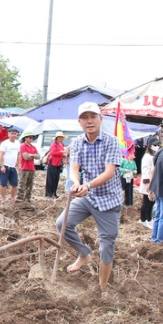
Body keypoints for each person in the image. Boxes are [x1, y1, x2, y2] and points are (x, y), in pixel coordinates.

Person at [55, 102, 123, 291]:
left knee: (106, 246)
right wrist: (76, 183)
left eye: (93, 116)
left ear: (100, 119)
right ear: (79, 122)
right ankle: (84, 253)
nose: (89, 121)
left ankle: (102, 289)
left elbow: (109, 172)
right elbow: (74, 169)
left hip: (108, 199)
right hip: (87, 197)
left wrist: (88, 185)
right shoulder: (76, 143)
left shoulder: (111, 141)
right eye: (85, 117)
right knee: (62, 224)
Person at [137, 137, 159, 228]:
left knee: (151, 202)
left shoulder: (153, 156)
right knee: (146, 201)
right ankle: (143, 219)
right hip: (148, 182)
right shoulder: (147, 157)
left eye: (157, 145)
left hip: (153, 181)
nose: (156, 147)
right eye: (155, 145)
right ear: (149, 146)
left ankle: (149, 218)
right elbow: (146, 171)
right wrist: (147, 183)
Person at [0, 129, 21, 205]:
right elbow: (1, 155)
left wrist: (19, 163)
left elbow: (18, 154)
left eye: (15, 133)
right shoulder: (5, 143)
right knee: (3, 183)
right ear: (8, 134)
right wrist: (2, 166)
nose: (14, 135)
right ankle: (3, 199)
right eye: (12, 133)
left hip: (13, 166)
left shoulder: (17, 143)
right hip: (5, 166)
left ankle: (12, 197)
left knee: (14, 184)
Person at [17, 131, 40, 202]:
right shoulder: (23, 146)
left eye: (32, 138)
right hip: (24, 168)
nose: (31, 139)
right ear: (25, 138)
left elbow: (38, 156)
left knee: (30, 185)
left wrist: (31, 155)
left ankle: (27, 198)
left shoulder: (33, 147)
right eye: (30, 137)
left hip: (31, 168)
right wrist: (33, 155)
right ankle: (20, 198)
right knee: (22, 184)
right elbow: (26, 157)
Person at [45, 132, 66, 198]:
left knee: (56, 178)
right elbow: (53, 153)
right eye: (59, 137)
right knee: (51, 178)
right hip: (53, 162)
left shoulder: (61, 144)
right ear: (56, 138)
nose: (60, 139)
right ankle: (49, 193)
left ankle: (54, 192)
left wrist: (63, 155)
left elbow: (61, 153)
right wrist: (61, 153)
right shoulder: (54, 145)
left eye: (61, 137)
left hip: (58, 163)